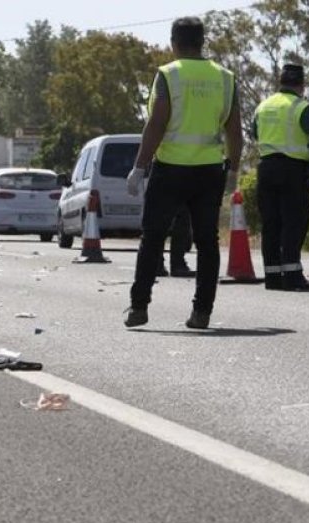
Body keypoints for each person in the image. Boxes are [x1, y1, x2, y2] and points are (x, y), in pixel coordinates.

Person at [125, 16, 243, 329]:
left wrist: (139, 167)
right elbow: (235, 129)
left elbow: (157, 123)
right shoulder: (225, 77)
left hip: (171, 170)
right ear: (202, 42)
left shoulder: (169, 74)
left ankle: (139, 307)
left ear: (173, 43)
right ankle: (202, 312)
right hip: (208, 171)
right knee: (207, 242)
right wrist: (233, 168)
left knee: (152, 237)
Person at [251, 64, 309, 291]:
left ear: (280, 81)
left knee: (271, 224)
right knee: (294, 222)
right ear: (301, 85)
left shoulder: (262, 107)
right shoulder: (301, 107)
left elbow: (255, 134)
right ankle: (293, 275)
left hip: (266, 168)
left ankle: (273, 277)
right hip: (293, 171)